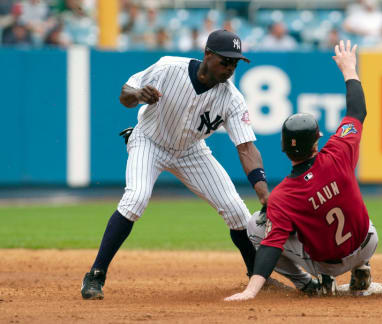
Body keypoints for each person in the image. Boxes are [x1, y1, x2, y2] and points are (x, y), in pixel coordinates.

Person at [81, 29, 269, 300]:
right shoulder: (169, 67)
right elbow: (124, 94)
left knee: (237, 212)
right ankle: (95, 275)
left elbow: (246, 148)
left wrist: (263, 192)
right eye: (225, 61)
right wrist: (137, 95)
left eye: (235, 63)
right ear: (207, 54)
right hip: (149, 142)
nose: (230, 68)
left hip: (191, 152)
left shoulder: (232, 99)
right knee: (135, 199)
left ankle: (257, 277)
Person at [225, 40, 378, 301]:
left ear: (283, 148)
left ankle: (310, 285)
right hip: (367, 243)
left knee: (255, 226)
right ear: (317, 140)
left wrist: (251, 291)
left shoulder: (284, 196)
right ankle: (361, 264)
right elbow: (357, 110)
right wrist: (349, 69)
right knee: (345, 203)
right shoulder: (339, 152)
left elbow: (271, 246)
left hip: (328, 262)